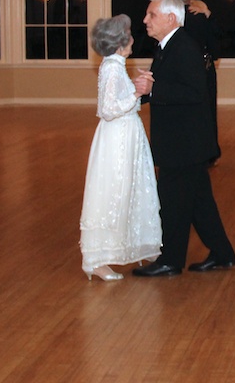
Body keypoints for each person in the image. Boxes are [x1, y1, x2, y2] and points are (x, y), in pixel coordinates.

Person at [132, 0, 235, 277]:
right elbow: (166, 86)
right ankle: (223, 254)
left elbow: (194, 94)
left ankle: (170, 261)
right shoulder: (170, 46)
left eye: (151, 15)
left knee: (173, 203)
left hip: (184, 144)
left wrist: (151, 92)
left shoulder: (184, 48)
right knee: (199, 203)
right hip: (185, 143)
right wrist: (141, 93)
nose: (145, 21)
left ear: (171, 18)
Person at [79, 15, 162, 282]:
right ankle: (97, 259)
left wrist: (135, 90)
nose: (134, 39)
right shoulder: (113, 67)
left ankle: (139, 244)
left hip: (126, 134)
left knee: (131, 188)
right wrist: (137, 93)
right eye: (129, 35)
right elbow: (108, 109)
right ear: (120, 43)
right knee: (115, 190)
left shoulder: (114, 64)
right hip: (118, 138)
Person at [170, 0, 222, 161]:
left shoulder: (170, 20)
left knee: (180, 113)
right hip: (203, 69)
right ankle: (209, 153)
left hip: (176, 73)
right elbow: (215, 46)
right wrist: (207, 13)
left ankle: (181, 151)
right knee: (206, 111)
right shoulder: (201, 17)